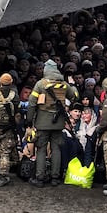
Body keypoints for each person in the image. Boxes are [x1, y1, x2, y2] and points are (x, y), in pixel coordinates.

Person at [26, 59, 79, 188]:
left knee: (41, 149)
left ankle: (40, 178)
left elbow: (32, 102)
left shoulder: (40, 84)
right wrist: (72, 85)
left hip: (42, 122)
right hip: (58, 122)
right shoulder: (64, 84)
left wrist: (29, 120)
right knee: (56, 149)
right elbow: (75, 97)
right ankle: (55, 178)